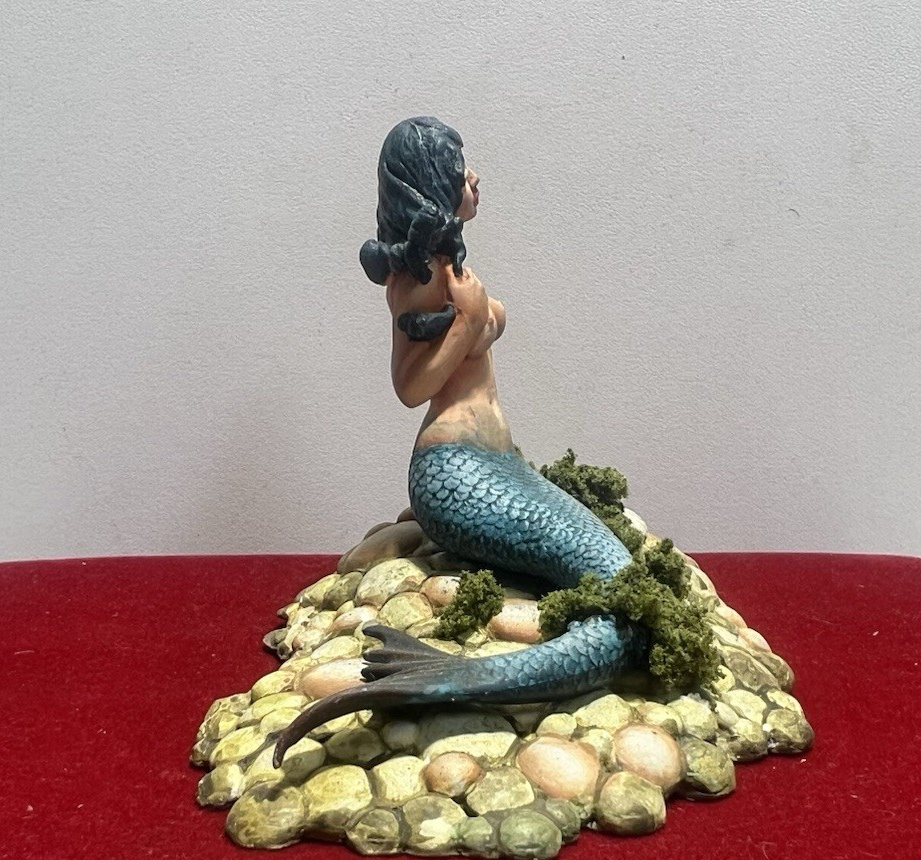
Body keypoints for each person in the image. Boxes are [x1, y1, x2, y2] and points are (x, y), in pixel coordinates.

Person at [272, 117, 644, 764]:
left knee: (618, 580)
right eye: (458, 166)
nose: (473, 176)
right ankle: (457, 678)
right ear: (429, 183)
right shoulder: (419, 280)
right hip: (458, 476)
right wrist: (469, 323)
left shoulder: (445, 263)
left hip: (497, 464)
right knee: (619, 598)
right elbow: (411, 386)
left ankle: (462, 675)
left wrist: (476, 320)